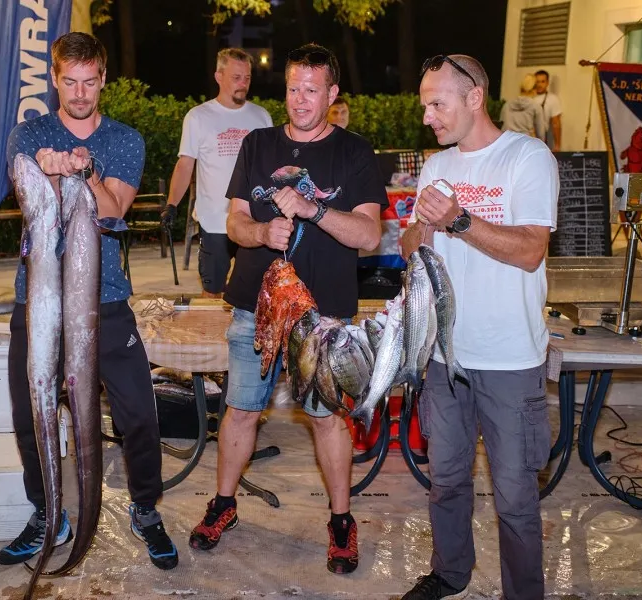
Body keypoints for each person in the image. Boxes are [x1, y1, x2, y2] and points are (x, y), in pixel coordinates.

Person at [187, 43, 387, 575]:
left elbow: (369, 234)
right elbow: (234, 222)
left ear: (332, 94)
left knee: (327, 418)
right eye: (293, 88)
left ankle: (341, 520)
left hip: (323, 317)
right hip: (253, 306)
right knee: (241, 409)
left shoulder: (355, 152)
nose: (299, 100)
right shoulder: (257, 143)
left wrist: (311, 209)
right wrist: (261, 232)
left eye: (311, 90)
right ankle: (224, 504)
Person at [0, 32, 178, 571]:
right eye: (70, 81)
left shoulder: (125, 139)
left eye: (90, 82)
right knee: (29, 414)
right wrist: (45, 171)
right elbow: (29, 202)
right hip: (39, 303)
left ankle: (145, 508)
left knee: (139, 415)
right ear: (54, 78)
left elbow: (113, 210)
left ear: (103, 80)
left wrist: (84, 172)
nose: (80, 93)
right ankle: (46, 514)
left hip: (107, 300)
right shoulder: (28, 134)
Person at [398, 54, 557, 600]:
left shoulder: (527, 157)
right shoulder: (436, 165)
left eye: (437, 104)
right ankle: (449, 572)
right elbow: (411, 246)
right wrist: (420, 231)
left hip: (510, 358)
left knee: (515, 496)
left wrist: (458, 219)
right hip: (445, 356)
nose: (428, 117)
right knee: (445, 480)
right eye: (425, 105)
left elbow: (531, 250)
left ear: (474, 97)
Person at [161, 48, 273, 298]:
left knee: (255, 293)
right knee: (212, 293)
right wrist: (172, 204)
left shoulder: (261, 117)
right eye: (236, 77)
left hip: (251, 221)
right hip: (214, 222)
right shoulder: (198, 117)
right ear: (218, 76)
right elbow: (185, 165)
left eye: (247, 78)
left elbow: (270, 168)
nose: (243, 84)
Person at [500, 73, 546, 141]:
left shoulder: (507, 105)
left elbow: (501, 128)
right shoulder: (536, 107)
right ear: (535, 89)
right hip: (526, 144)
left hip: (508, 143)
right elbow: (541, 134)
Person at [534, 69, 562, 151]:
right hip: (527, 138)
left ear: (547, 83)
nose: (539, 84)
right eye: (537, 82)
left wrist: (557, 145)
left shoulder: (553, 99)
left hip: (542, 141)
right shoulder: (529, 98)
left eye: (542, 82)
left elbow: (556, 123)